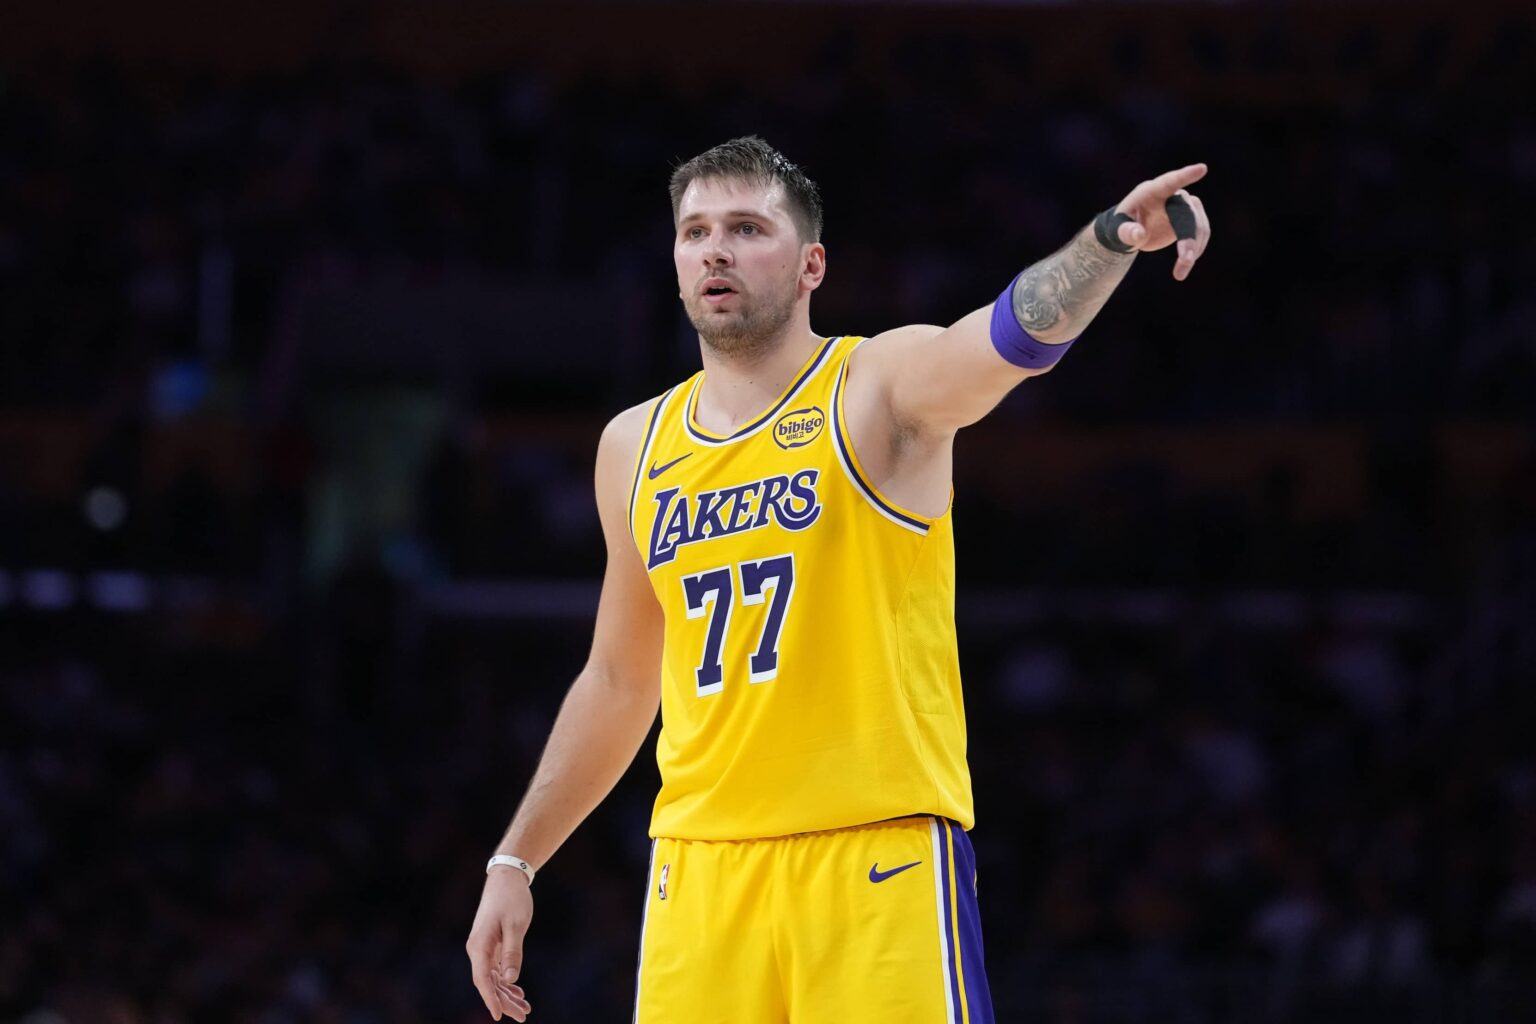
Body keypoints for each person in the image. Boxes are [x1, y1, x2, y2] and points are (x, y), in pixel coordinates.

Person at [465, 136, 1211, 1023]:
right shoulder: (633, 445)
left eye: (746, 227)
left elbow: (1007, 338)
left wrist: (1110, 240)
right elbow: (623, 678)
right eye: (695, 230)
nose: (715, 248)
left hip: (874, 860)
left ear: (812, 263)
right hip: (699, 875)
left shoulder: (874, 386)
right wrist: (516, 860)